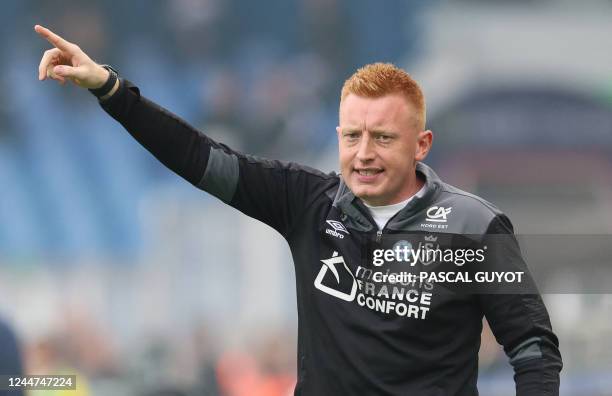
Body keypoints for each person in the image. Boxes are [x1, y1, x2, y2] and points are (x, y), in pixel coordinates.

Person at [35, 24, 562, 395]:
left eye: (383, 137)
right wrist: (109, 87)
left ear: (421, 144)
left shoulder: (474, 226)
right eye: (352, 136)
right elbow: (198, 156)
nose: (364, 153)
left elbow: (533, 350)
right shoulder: (306, 202)